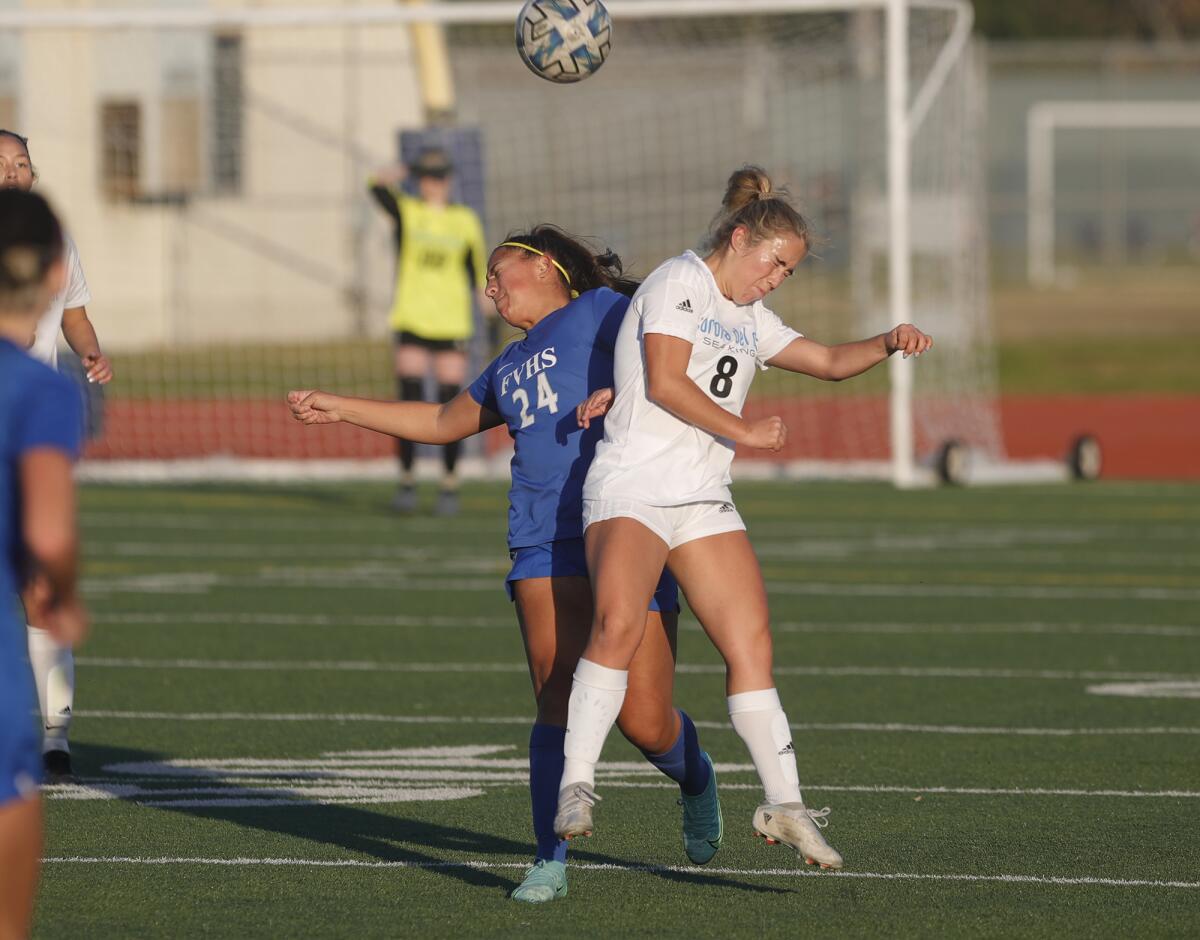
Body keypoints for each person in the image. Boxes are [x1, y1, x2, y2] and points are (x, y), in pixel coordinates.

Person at [288, 226, 723, 903]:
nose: (489, 287)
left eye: (500, 271)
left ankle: (695, 776)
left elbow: (677, 350)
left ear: (547, 266)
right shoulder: (509, 363)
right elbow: (440, 422)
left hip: (626, 524)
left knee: (644, 719)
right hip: (541, 543)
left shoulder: (603, 310)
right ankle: (549, 858)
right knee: (555, 694)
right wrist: (341, 407)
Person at [554, 166, 934, 870]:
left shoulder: (749, 318)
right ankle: (577, 783)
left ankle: (786, 806)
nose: (776, 279)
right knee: (618, 625)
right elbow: (665, 383)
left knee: (751, 643)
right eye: (774, 263)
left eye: (787, 272)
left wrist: (886, 341)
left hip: (701, 498)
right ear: (740, 238)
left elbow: (822, 358)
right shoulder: (679, 282)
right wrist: (746, 431)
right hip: (633, 487)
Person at [1, 128, 111, 782]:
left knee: (39, 591)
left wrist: (91, 348)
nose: (13, 171)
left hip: (25, 431)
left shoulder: (57, 243)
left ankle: (55, 735)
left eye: (21, 163)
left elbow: (76, 316)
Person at [0, 187, 90, 940]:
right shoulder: (39, 391)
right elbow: (51, 532)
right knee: (10, 789)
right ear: (57, 271)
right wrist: (60, 595)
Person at [368, 146, 488, 515]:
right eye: (426, 177)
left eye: (438, 177)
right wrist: (406, 167)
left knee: (450, 405)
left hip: (452, 322)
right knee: (409, 399)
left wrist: (491, 317)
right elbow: (375, 185)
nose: (432, 184)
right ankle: (406, 479)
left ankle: (449, 484)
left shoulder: (465, 220)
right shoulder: (409, 210)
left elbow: (476, 271)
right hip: (412, 318)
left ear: (449, 180)